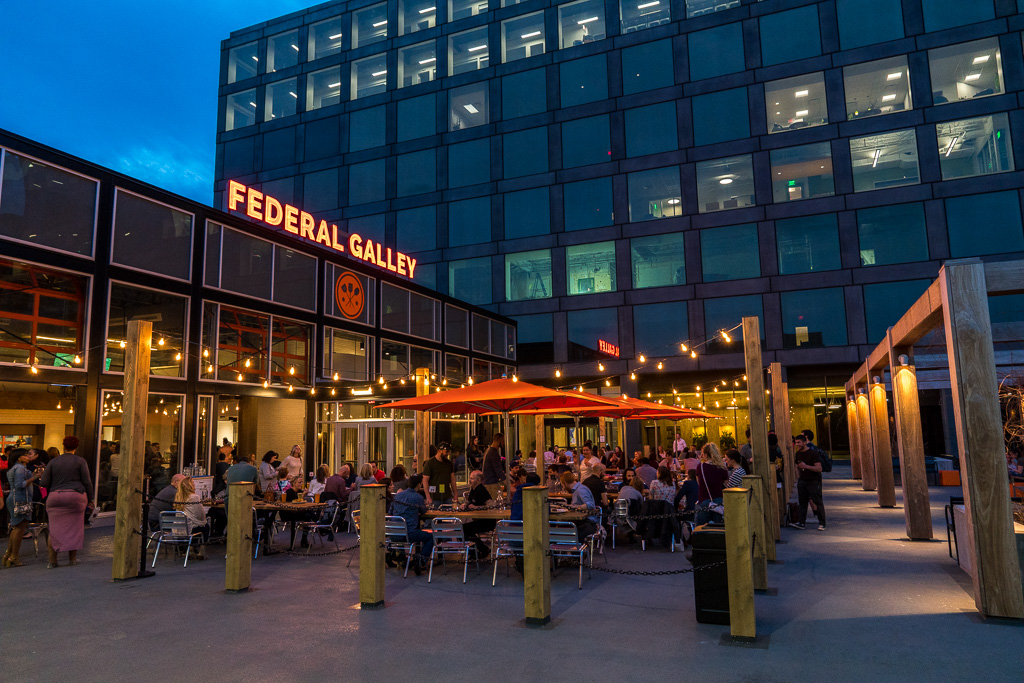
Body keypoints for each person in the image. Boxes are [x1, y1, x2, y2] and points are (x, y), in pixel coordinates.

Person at [39, 436, 93, 568]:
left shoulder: (53, 462)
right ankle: (72, 559)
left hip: (55, 497)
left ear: (63, 446)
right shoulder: (80, 461)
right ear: (76, 447)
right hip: (75, 497)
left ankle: (52, 561)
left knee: (54, 530)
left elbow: (43, 483)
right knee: (75, 528)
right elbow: (87, 482)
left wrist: (48, 494)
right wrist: (90, 499)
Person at [3, 448, 43, 568]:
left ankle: (9, 555)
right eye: (25, 455)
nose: (27, 457)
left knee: (16, 528)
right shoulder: (20, 469)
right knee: (19, 529)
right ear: (19, 457)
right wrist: (36, 477)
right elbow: (20, 485)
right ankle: (14, 556)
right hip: (20, 499)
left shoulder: (15, 468)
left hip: (15, 498)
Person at [391, 474, 432, 574]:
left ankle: (402, 557)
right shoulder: (418, 497)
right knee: (431, 537)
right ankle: (421, 560)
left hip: (394, 533)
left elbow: (391, 511)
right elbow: (423, 511)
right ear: (418, 485)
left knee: (415, 531)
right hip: (409, 533)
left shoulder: (398, 495)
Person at [789, 433, 826, 530]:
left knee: (817, 501)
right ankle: (801, 522)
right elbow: (797, 466)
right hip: (803, 481)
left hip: (813, 480)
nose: (797, 444)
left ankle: (822, 523)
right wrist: (798, 478)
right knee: (802, 502)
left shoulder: (813, 454)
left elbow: (819, 468)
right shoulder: (798, 454)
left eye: (799, 442)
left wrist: (807, 467)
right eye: (796, 443)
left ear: (805, 442)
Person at [461, 470, 494, 557]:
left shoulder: (482, 490)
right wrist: (464, 505)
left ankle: (480, 549)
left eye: (472, 478)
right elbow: (469, 501)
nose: (469, 480)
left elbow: (490, 505)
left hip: (487, 522)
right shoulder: (473, 489)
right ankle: (476, 550)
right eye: (470, 478)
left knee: (464, 529)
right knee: (463, 528)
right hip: (478, 520)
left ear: (478, 480)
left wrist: (477, 507)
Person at [173, 476, 209, 554]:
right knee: (205, 526)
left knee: (194, 524)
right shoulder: (194, 497)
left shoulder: (178, 497)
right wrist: (204, 521)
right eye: (193, 483)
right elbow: (200, 515)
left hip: (179, 529)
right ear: (189, 486)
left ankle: (191, 548)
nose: (195, 484)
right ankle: (201, 550)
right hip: (190, 528)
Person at [695, 444, 729, 525]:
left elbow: (699, 483)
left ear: (706, 455)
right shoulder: (722, 468)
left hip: (704, 500)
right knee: (718, 529)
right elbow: (727, 485)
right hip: (719, 502)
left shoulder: (701, 467)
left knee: (702, 529)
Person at [560, 471, 598, 539]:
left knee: (562, 529)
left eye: (562, 485)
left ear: (565, 484)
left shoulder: (580, 490)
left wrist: (575, 507)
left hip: (587, 522)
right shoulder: (577, 489)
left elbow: (590, 505)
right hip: (582, 521)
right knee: (562, 527)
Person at [422, 441, 458, 507]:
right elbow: (425, 480)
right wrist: (428, 497)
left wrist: (455, 493)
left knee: (450, 514)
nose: (448, 454)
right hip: (434, 496)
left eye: (449, 452)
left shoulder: (449, 463)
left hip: (447, 495)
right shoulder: (430, 463)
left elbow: (452, 479)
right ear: (439, 451)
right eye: (446, 452)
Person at [481, 433, 505, 499]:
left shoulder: (488, 451)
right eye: (503, 440)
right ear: (499, 440)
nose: (504, 443)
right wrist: (507, 484)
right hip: (492, 484)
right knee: (496, 504)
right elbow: (499, 470)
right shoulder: (493, 453)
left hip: (487, 482)